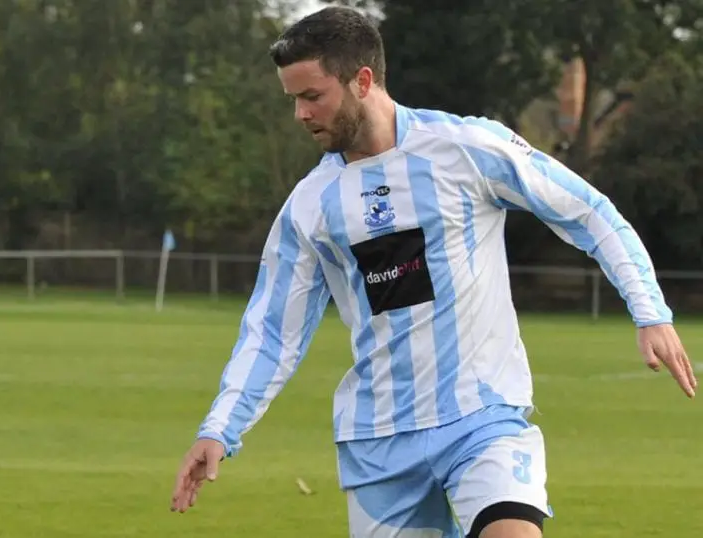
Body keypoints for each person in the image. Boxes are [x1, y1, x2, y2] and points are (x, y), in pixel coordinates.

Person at [171, 7, 696, 538]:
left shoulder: (466, 149)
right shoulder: (310, 207)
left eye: (313, 97)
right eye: (294, 100)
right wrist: (220, 428)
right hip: (378, 441)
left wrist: (649, 310)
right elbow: (271, 332)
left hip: (480, 417)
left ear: (363, 80)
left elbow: (588, 211)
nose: (301, 115)